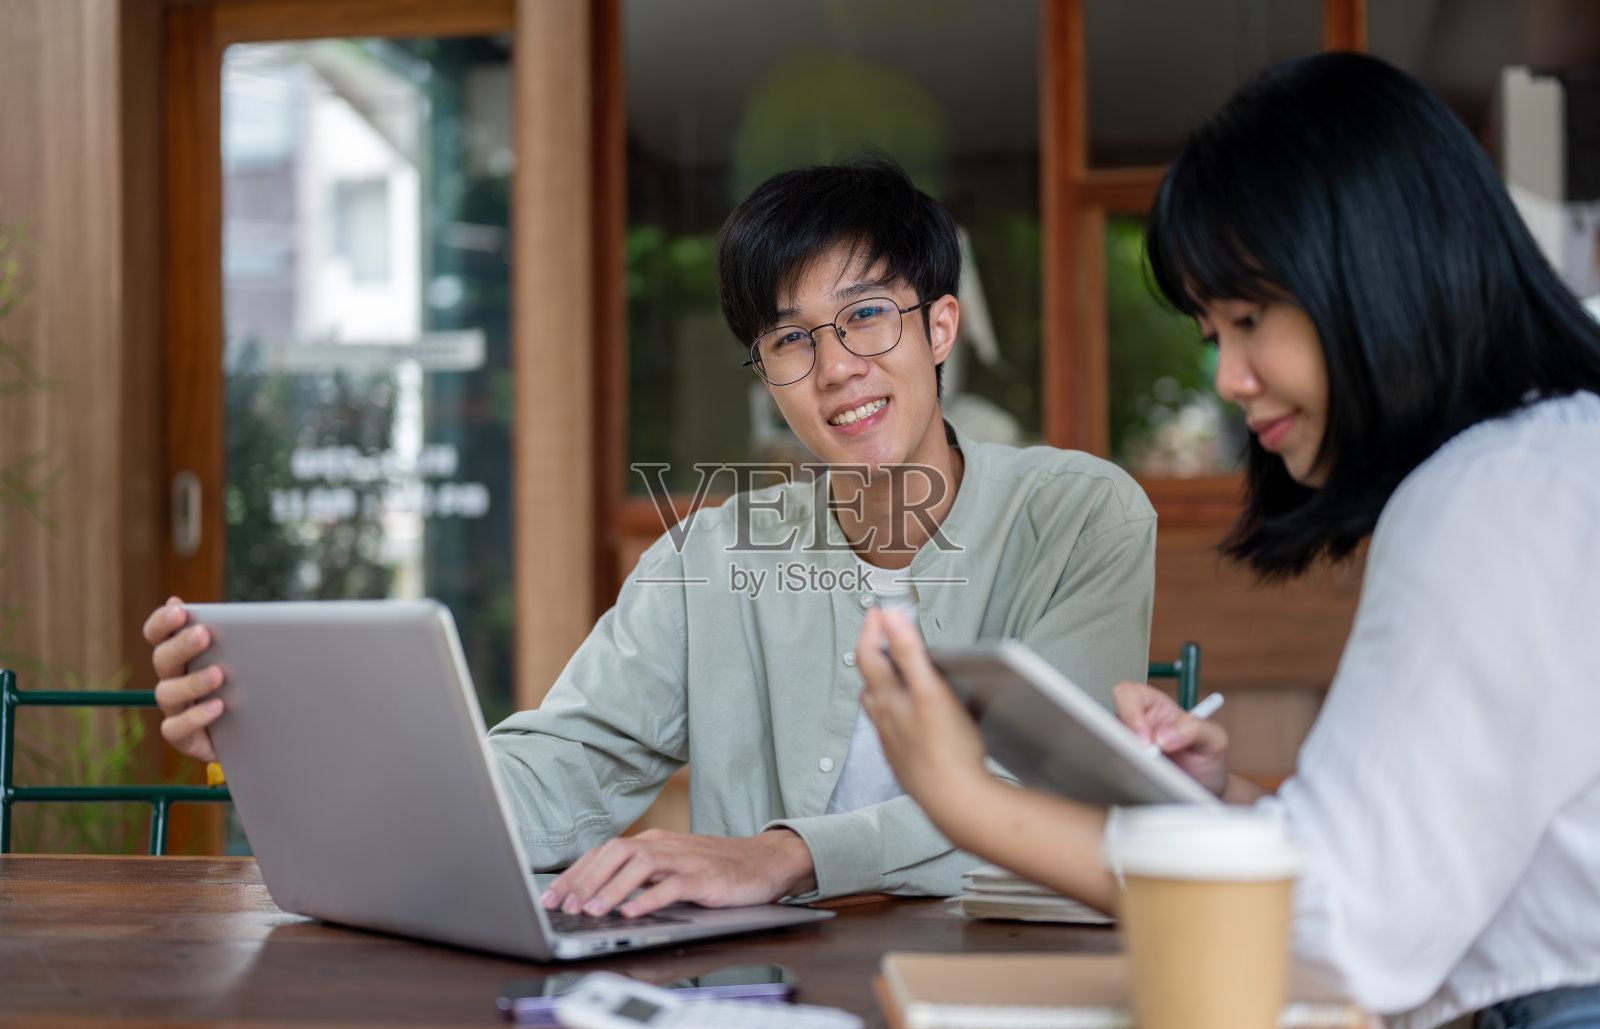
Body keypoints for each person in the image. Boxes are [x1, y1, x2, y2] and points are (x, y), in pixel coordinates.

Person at [143, 157, 1158, 920]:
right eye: (791, 339)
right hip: (763, 991)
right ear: (765, 377)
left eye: (867, 317)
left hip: (1011, 976)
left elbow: (1049, 804)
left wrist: (780, 855)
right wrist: (300, 750)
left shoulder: (1078, 517)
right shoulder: (707, 556)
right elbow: (570, 764)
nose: (837, 366)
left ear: (939, 329)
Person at [855, 52, 1600, 1029]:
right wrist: (1229, 801)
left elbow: (1338, 932)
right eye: (1212, 331)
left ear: (1377, 264)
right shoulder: (1553, 459)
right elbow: (1434, 852)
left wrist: (969, 799)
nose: (1229, 378)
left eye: (1249, 320)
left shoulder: (1494, 495)